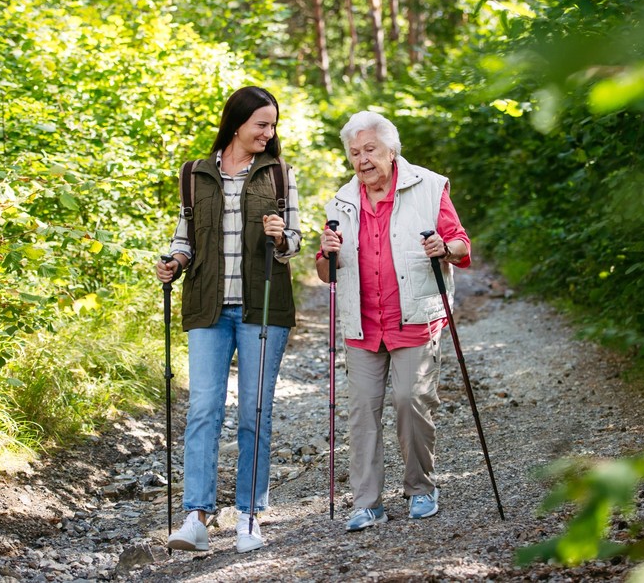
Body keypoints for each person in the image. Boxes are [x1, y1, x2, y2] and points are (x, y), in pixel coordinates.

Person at [156, 86, 302, 554]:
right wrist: (174, 262)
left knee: (255, 413)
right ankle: (196, 516)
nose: (269, 132)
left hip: (263, 308)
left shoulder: (279, 174)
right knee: (203, 410)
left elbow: (296, 240)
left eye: (273, 125)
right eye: (261, 123)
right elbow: (185, 236)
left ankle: (249, 517)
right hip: (209, 308)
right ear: (236, 123)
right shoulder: (194, 175)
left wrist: (281, 238)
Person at [316, 111, 471, 532]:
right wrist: (326, 251)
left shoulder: (429, 186)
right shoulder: (341, 201)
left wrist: (444, 247)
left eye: (370, 149)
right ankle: (367, 502)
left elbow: (460, 243)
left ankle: (420, 488)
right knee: (362, 412)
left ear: (391, 149)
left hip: (414, 318)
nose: (362, 160)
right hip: (363, 323)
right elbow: (326, 274)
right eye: (354, 152)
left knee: (410, 400)